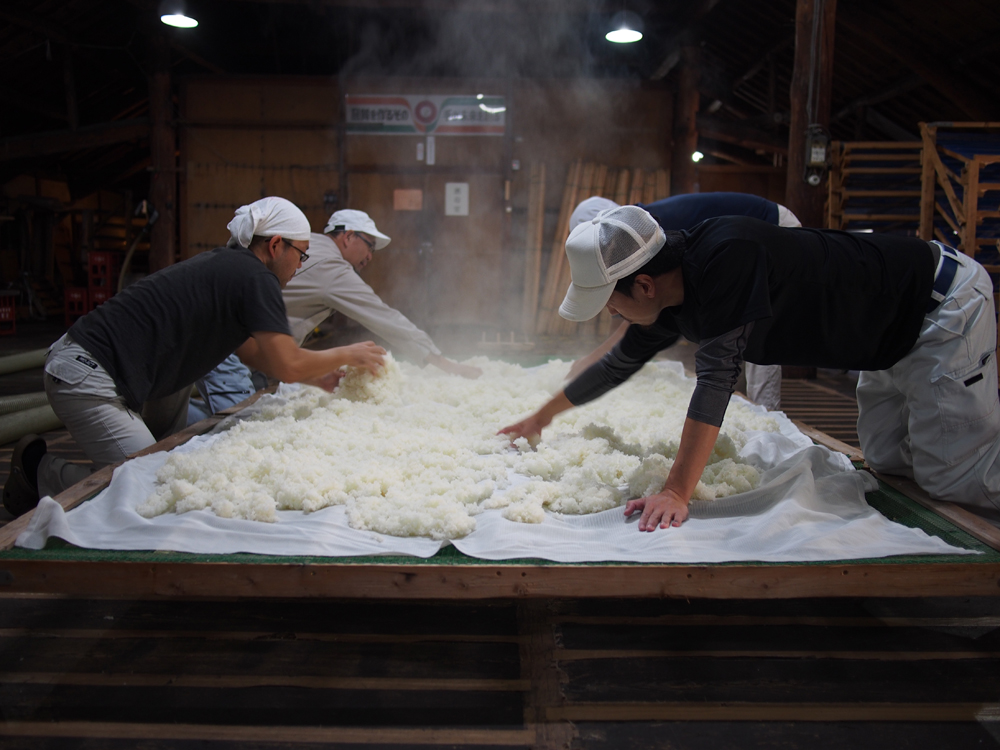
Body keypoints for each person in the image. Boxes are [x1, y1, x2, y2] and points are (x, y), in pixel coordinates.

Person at [501, 205, 999, 531]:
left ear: (644, 284)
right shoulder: (669, 301)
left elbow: (717, 378)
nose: (611, 315)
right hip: (882, 337)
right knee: (890, 463)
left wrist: (678, 490)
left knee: (952, 479)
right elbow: (617, 365)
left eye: (611, 303)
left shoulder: (727, 255)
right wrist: (541, 417)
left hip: (937, 308)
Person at [3, 197, 386, 517]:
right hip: (88, 375)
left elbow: (254, 352)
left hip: (111, 372)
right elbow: (285, 362)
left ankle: (94, 470)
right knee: (150, 492)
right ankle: (38, 472)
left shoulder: (229, 268)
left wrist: (314, 377)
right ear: (275, 246)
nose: (300, 266)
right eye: (300, 255)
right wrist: (349, 353)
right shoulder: (255, 278)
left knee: (165, 468)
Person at [189, 208, 480, 423]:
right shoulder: (330, 266)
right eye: (369, 245)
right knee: (237, 425)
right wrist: (438, 359)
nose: (370, 256)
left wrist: (310, 374)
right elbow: (382, 316)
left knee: (242, 410)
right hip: (230, 346)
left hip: (251, 348)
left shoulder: (310, 246)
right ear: (348, 236)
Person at [566, 193, 802, 411]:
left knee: (757, 324)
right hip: (742, 240)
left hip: (773, 227)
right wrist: (601, 357)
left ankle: (766, 410)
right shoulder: (634, 232)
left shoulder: (647, 234)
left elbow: (640, 312)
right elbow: (630, 312)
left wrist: (595, 359)